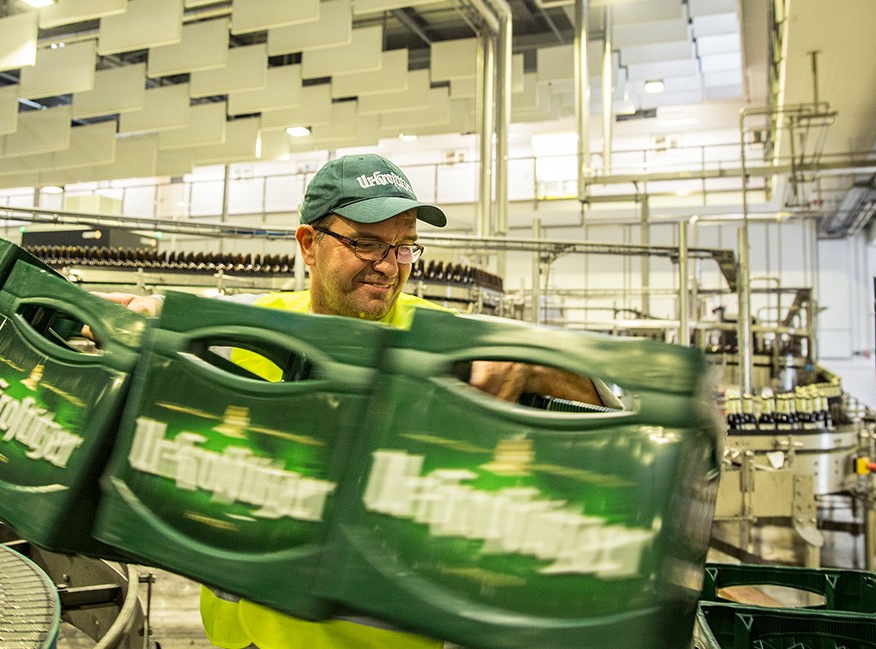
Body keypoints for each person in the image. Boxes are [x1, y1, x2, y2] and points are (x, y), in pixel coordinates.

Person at [96, 153, 612, 649]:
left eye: (405, 246)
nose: (389, 266)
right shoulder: (261, 322)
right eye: (367, 244)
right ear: (308, 243)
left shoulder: (441, 339)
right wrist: (152, 315)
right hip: (244, 632)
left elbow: (608, 408)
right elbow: (188, 325)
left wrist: (536, 366)